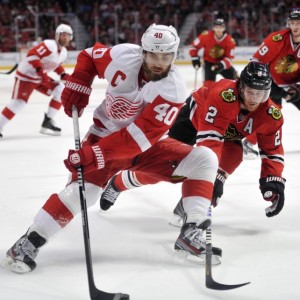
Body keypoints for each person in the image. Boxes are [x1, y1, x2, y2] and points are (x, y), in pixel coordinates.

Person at [2, 24, 222, 274]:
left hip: (144, 146)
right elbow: (89, 56)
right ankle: (26, 243)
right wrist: (80, 82)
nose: (159, 62)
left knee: (205, 159)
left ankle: (191, 231)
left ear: (174, 56)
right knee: (83, 194)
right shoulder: (123, 55)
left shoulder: (173, 89)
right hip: (102, 136)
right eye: (153, 55)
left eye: (166, 56)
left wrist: (90, 155)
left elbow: (136, 139)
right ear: (143, 52)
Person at [99, 62, 286, 228]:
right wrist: (208, 176)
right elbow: (210, 141)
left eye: (260, 93)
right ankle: (118, 183)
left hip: (225, 136)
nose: (254, 98)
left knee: (234, 154)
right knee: (165, 169)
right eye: (250, 92)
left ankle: (193, 205)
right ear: (241, 87)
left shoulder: (271, 115)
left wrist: (272, 181)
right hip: (191, 121)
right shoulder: (224, 96)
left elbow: (272, 152)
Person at [243, 8, 300, 158]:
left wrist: (297, 89)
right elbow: (256, 60)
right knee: (270, 114)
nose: (295, 27)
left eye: (298, 23)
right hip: (272, 82)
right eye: (293, 23)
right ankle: (248, 144)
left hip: (294, 84)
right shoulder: (278, 39)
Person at [0, 24, 73, 138]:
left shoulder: (63, 52)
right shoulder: (49, 45)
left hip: (40, 78)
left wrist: (63, 74)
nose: (65, 38)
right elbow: (32, 55)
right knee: (19, 103)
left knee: (60, 89)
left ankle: (48, 121)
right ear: (57, 35)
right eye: (63, 35)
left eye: (68, 36)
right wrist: (41, 72)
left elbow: (56, 65)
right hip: (26, 77)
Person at [189, 18, 237, 90]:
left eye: (220, 27)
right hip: (209, 63)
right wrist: (194, 58)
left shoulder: (230, 41)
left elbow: (229, 58)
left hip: (223, 64)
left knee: (235, 82)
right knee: (208, 87)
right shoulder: (206, 35)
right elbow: (193, 46)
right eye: (217, 27)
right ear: (213, 28)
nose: (218, 29)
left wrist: (221, 65)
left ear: (224, 28)